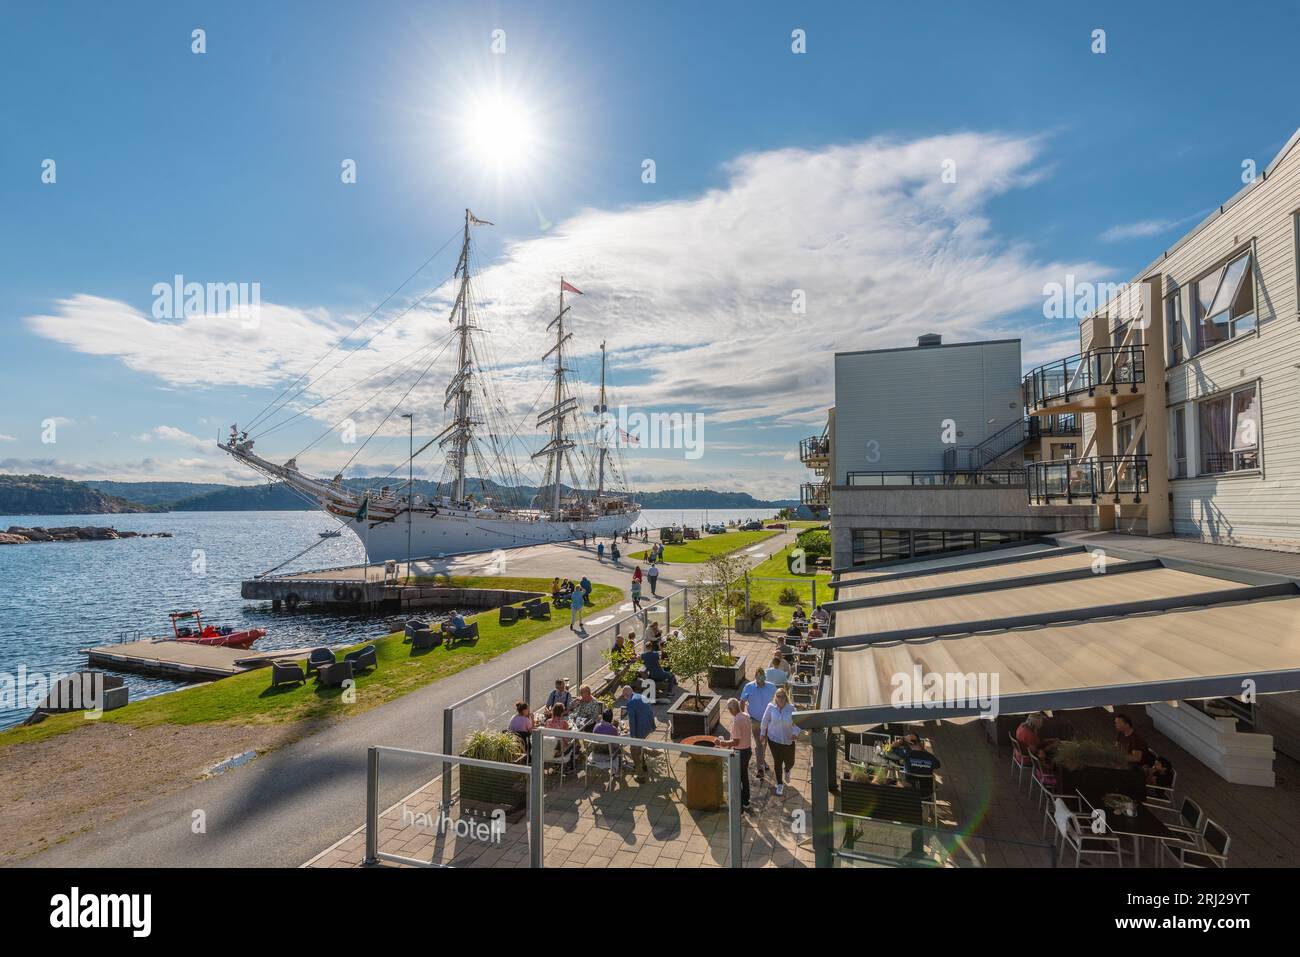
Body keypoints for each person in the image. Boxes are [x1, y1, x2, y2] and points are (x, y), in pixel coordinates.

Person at [760, 687, 803, 796]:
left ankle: (787, 769)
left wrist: (795, 733)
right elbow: (765, 720)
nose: (780, 699)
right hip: (773, 739)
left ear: (786, 697)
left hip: (788, 739)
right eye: (778, 696)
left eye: (783, 696)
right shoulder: (771, 707)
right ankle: (779, 784)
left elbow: (799, 723)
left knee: (790, 761)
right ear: (776, 697)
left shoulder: (791, 709)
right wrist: (762, 733)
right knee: (777, 762)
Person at [740, 668, 776, 778]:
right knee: (759, 743)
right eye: (759, 676)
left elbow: (777, 700)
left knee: (764, 743)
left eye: (763, 676)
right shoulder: (749, 687)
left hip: (768, 721)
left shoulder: (771, 686)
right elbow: (742, 701)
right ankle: (760, 768)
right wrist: (743, 715)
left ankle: (762, 760)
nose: (761, 679)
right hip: (755, 720)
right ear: (755, 676)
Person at [717, 698, 752, 809]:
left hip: (740, 752)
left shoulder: (737, 721)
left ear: (732, 709)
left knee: (736, 778)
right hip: (747, 750)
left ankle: (740, 802)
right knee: (744, 777)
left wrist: (722, 743)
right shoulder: (746, 716)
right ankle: (746, 801)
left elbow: (736, 741)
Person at [620, 684, 656, 781]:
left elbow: (632, 721)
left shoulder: (631, 703)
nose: (624, 698)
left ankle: (640, 775)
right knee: (639, 746)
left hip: (640, 729)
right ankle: (643, 764)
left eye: (624, 696)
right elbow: (649, 712)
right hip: (648, 726)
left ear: (627, 694)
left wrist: (633, 738)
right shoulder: (642, 696)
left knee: (633, 750)